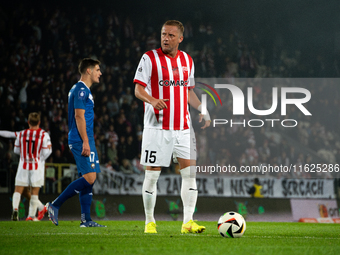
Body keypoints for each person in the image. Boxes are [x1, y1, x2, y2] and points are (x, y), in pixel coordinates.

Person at [134, 20, 211, 234]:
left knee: (190, 175)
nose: (165, 38)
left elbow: (189, 92)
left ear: (180, 38)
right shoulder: (149, 58)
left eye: (170, 35)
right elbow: (138, 90)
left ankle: (188, 221)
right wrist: (151, 99)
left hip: (183, 128)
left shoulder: (188, 60)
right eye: (163, 34)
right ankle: (150, 221)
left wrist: (203, 110)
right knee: (152, 175)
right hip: (157, 127)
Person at [47, 58, 106, 227]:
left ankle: (86, 219)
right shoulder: (81, 90)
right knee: (89, 178)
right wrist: (86, 141)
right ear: (88, 70)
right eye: (97, 69)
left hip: (86, 138)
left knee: (89, 178)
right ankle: (55, 204)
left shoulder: (81, 89)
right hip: (81, 139)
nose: (100, 73)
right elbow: (78, 116)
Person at [10, 113, 52, 221]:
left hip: (23, 165)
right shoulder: (43, 134)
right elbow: (46, 151)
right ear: (39, 122)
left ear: (28, 122)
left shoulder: (22, 134)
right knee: (34, 193)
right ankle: (33, 215)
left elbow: (16, 150)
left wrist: (25, 155)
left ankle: (15, 210)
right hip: (36, 166)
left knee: (18, 190)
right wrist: (39, 159)